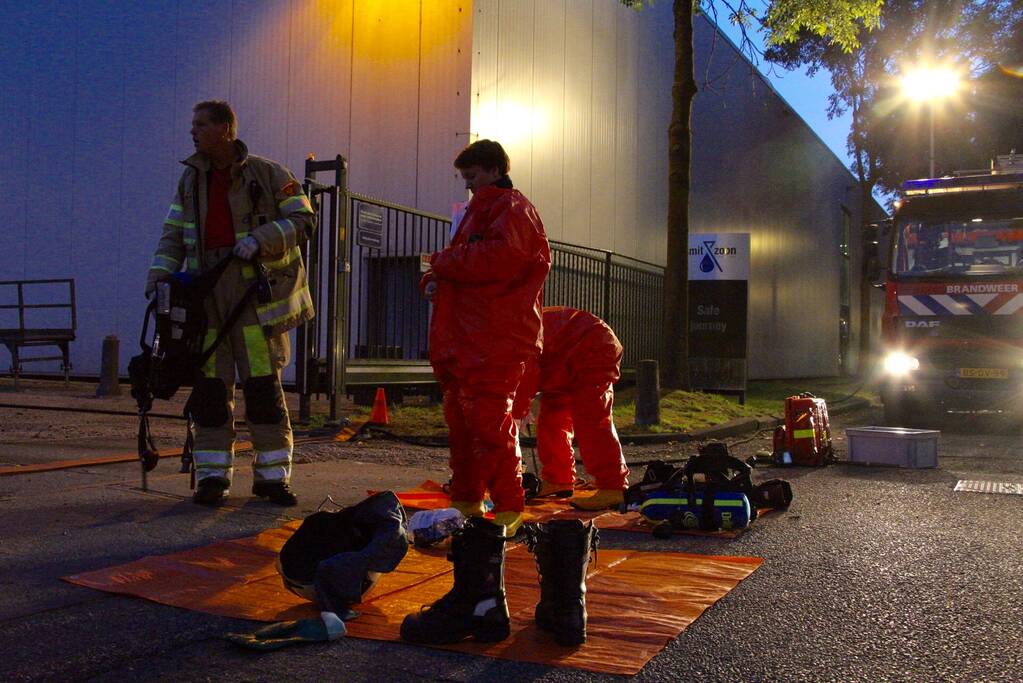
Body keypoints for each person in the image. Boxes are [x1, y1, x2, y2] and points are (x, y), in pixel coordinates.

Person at [401, 139, 550, 645]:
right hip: (470, 340)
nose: (466, 183)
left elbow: (499, 260)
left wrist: (443, 265)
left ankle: (507, 506)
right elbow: (471, 265)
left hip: (494, 339)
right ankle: (469, 500)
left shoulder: (512, 210)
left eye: (471, 174)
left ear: (492, 170)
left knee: (489, 423)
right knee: (464, 425)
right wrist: (438, 276)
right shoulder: (484, 211)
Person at [146, 100, 315, 507]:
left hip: (253, 297)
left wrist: (260, 239)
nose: (193, 131)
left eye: (201, 124)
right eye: (193, 124)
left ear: (225, 129)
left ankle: (272, 479)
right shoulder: (190, 181)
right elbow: (172, 234)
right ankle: (212, 478)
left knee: (262, 389)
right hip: (206, 299)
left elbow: (303, 220)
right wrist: (159, 281)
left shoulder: (269, 173)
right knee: (209, 391)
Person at [513, 306, 629, 510]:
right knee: (552, 420)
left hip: (590, 348)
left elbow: (526, 374)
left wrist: (517, 412)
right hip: (566, 357)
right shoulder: (514, 329)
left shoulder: (513, 336)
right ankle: (558, 478)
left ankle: (613, 486)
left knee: (592, 420)